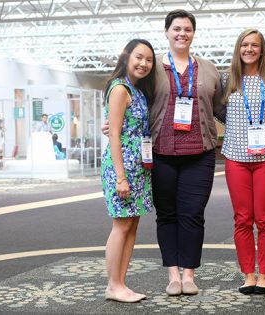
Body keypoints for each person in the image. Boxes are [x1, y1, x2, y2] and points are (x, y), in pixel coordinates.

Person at [103, 9, 225, 296]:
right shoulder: (153, 68)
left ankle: (190, 274)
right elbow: (132, 101)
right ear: (167, 32)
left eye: (187, 29)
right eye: (176, 29)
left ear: (193, 33)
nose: (182, 33)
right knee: (166, 215)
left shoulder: (208, 68)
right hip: (160, 154)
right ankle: (172, 275)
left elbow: (219, 108)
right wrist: (111, 123)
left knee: (193, 214)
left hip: (200, 153)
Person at [220, 29, 265, 295]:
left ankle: (264, 274)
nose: (249, 49)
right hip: (236, 158)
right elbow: (213, 109)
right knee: (243, 219)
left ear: (262, 49)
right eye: (244, 44)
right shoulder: (228, 80)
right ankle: (248, 275)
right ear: (238, 48)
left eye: (255, 45)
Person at [101, 39, 156, 303]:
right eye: (139, 57)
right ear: (127, 57)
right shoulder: (120, 88)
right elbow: (114, 135)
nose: (143, 63)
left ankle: (121, 283)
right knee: (121, 225)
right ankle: (113, 284)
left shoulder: (137, 90)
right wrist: (120, 176)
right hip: (122, 165)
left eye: (148, 60)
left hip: (138, 166)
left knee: (132, 224)